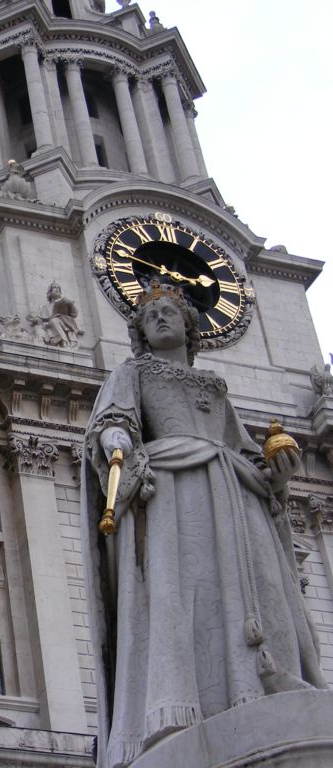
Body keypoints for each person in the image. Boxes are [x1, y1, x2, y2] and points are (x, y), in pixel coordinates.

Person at [81, 280, 325, 768]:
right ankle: (182, 702)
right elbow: (113, 420)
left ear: (190, 327)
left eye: (170, 313)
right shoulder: (132, 372)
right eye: (151, 317)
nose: (161, 320)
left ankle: (265, 680)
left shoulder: (214, 386)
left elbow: (242, 449)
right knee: (183, 590)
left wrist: (274, 473)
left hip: (232, 491)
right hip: (174, 489)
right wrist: (115, 440)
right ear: (140, 334)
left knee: (262, 586)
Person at [28, 281, 82, 347]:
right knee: (42, 326)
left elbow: (74, 314)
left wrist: (71, 304)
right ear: (50, 292)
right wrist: (35, 319)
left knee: (54, 321)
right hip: (51, 324)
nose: (57, 289)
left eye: (58, 288)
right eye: (54, 287)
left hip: (65, 322)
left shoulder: (65, 301)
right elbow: (42, 318)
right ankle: (54, 339)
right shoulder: (45, 307)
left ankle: (64, 341)